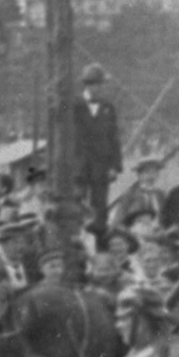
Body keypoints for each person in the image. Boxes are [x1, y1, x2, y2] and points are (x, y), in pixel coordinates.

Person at [75, 64, 123, 235]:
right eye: (98, 84)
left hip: (101, 166)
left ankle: (100, 244)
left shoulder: (108, 107)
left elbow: (114, 138)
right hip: (79, 166)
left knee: (100, 207)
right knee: (77, 203)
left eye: (102, 85)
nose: (101, 88)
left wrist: (115, 166)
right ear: (89, 85)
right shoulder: (74, 105)